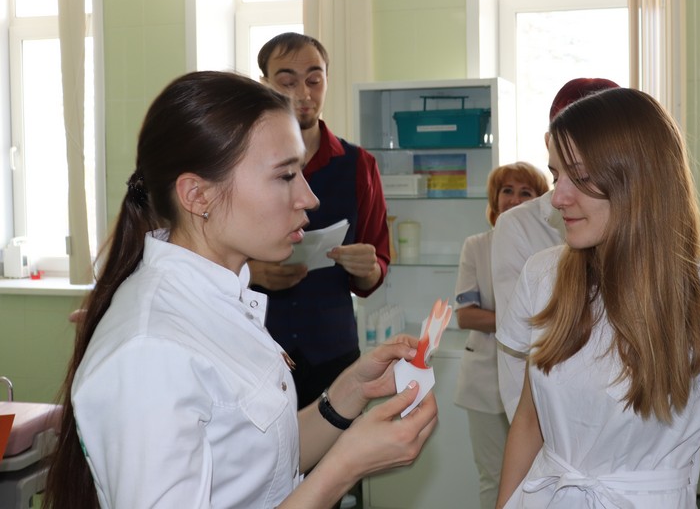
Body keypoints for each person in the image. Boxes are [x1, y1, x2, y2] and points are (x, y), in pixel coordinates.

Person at [42, 71, 438, 509]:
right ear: (198, 196)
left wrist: (351, 391)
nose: (309, 198)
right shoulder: (149, 351)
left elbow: (261, 461)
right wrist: (345, 467)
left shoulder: (221, 299)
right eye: (285, 176)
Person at [496, 88, 700, 508]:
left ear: (638, 182)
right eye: (556, 176)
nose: (557, 197)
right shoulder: (544, 276)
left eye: (580, 178)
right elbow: (528, 422)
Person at [252, 33, 390, 410]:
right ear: (264, 84)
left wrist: (366, 268)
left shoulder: (359, 165)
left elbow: (376, 265)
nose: (303, 93)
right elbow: (206, 255)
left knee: (342, 447)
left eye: (314, 80)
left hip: (333, 353)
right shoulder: (242, 162)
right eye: (287, 81)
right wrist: (251, 273)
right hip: (257, 348)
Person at [493, 77, 618, 421]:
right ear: (550, 141)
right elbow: (517, 350)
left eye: (584, 174)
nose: (561, 198)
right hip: (551, 425)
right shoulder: (518, 228)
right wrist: (538, 440)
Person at [453, 161, 549, 509]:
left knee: (536, 475)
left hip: (535, 378)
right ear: (495, 198)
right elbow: (465, 315)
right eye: (507, 190)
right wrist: (524, 321)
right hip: (484, 382)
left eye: (526, 192)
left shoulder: (548, 249)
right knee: (493, 476)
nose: (515, 199)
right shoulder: (477, 246)